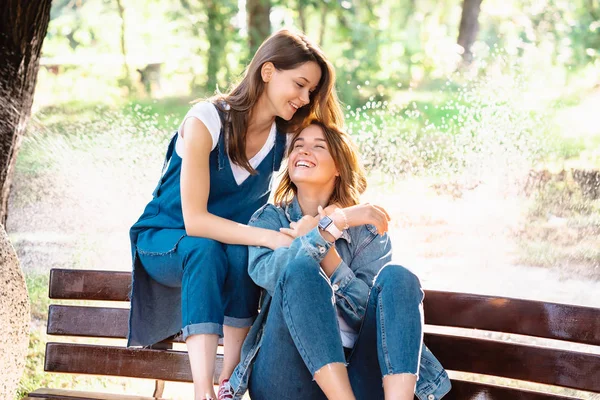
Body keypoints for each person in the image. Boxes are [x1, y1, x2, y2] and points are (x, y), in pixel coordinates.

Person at [127, 30, 378, 400]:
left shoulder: (285, 136)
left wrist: (339, 211)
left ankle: (228, 381)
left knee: (238, 252)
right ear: (267, 72)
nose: (305, 98)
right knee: (207, 248)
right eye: (300, 84)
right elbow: (195, 222)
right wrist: (271, 237)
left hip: (223, 245)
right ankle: (202, 391)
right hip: (165, 239)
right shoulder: (206, 120)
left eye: (311, 91)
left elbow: (327, 165)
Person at [228, 122, 451, 400]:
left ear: (338, 166)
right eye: (298, 145)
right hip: (286, 373)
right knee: (300, 271)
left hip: (358, 372)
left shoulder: (368, 233)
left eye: (318, 146)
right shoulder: (270, 220)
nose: (304, 151)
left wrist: (330, 244)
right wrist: (328, 230)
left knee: (399, 277)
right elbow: (273, 277)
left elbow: (374, 316)